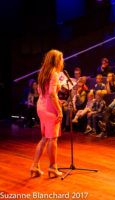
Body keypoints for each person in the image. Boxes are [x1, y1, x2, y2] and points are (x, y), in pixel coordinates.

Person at [31, 49, 64, 178]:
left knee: (44, 138)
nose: (62, 61)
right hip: (50, 110)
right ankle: (53, 167)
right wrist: (59, 110)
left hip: (41, 106)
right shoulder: (54, 73)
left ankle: (35, 166)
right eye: (61, 59)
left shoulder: (42, 73)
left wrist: (55, 99)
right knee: (52, 139)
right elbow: (51, 93)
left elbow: (42, 92)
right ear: (56, 60)